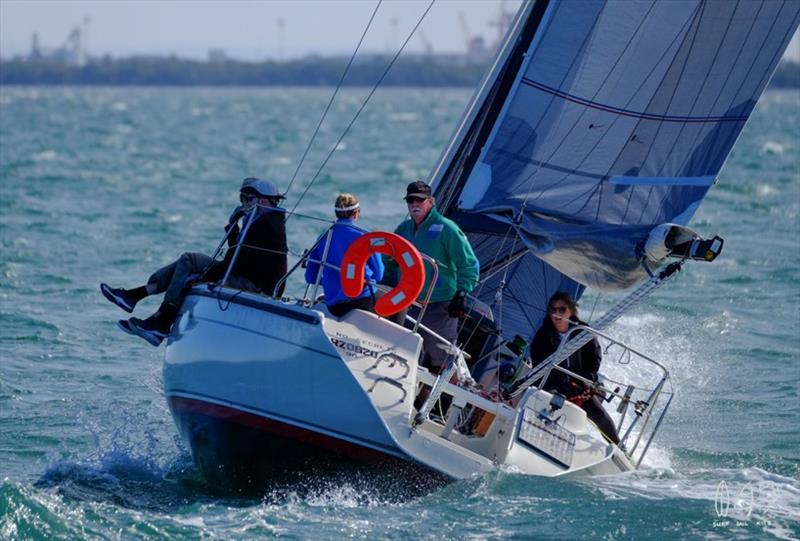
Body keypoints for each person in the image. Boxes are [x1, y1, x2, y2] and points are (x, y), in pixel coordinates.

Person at [100, 177, 288, 346]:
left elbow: (237, 260)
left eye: (249, 199)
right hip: (241, 272)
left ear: (264, 200)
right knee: (188, 260)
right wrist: (233, 225)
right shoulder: (257, 220)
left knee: (191, 275)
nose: (244, 203)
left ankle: (160, 320)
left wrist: (205, 275)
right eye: (242, 198)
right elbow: (236, 258)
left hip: (254, 283)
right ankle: (137, 299)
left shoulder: (269, 224)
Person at [384, 180, 479, 371]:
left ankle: (447, 396)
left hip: (440, 307)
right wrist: (384, 287)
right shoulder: (404, 229)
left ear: (431, 201)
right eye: (410, 200)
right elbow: (389, 263)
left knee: (442, 363)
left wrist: (461, 294)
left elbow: (469, 264)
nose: (415, 204)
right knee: (399, 354)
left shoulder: (447, 228)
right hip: (407, 304)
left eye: (420, 200)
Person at [530, 291, 621, 445]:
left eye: (562, 309)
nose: (556, 314)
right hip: (553, 384)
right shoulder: (543, 335)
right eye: (553, 309)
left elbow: (594, 359)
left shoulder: (583, 332)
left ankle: (619, 448)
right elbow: (538, 365)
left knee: (600, 415)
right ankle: (539, 438)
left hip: (580, 385)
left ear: (571, 311)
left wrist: (583, 382)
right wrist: (559, 383)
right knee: (549, 402)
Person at [304, 193, 384, 318]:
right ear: (356, 213)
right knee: (399, 305)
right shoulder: (365, 237)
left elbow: (311, 277)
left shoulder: (323, 237)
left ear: (336, 213)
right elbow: (379, 275)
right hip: (361, 300)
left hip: (334, 305)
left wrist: (331, 282)